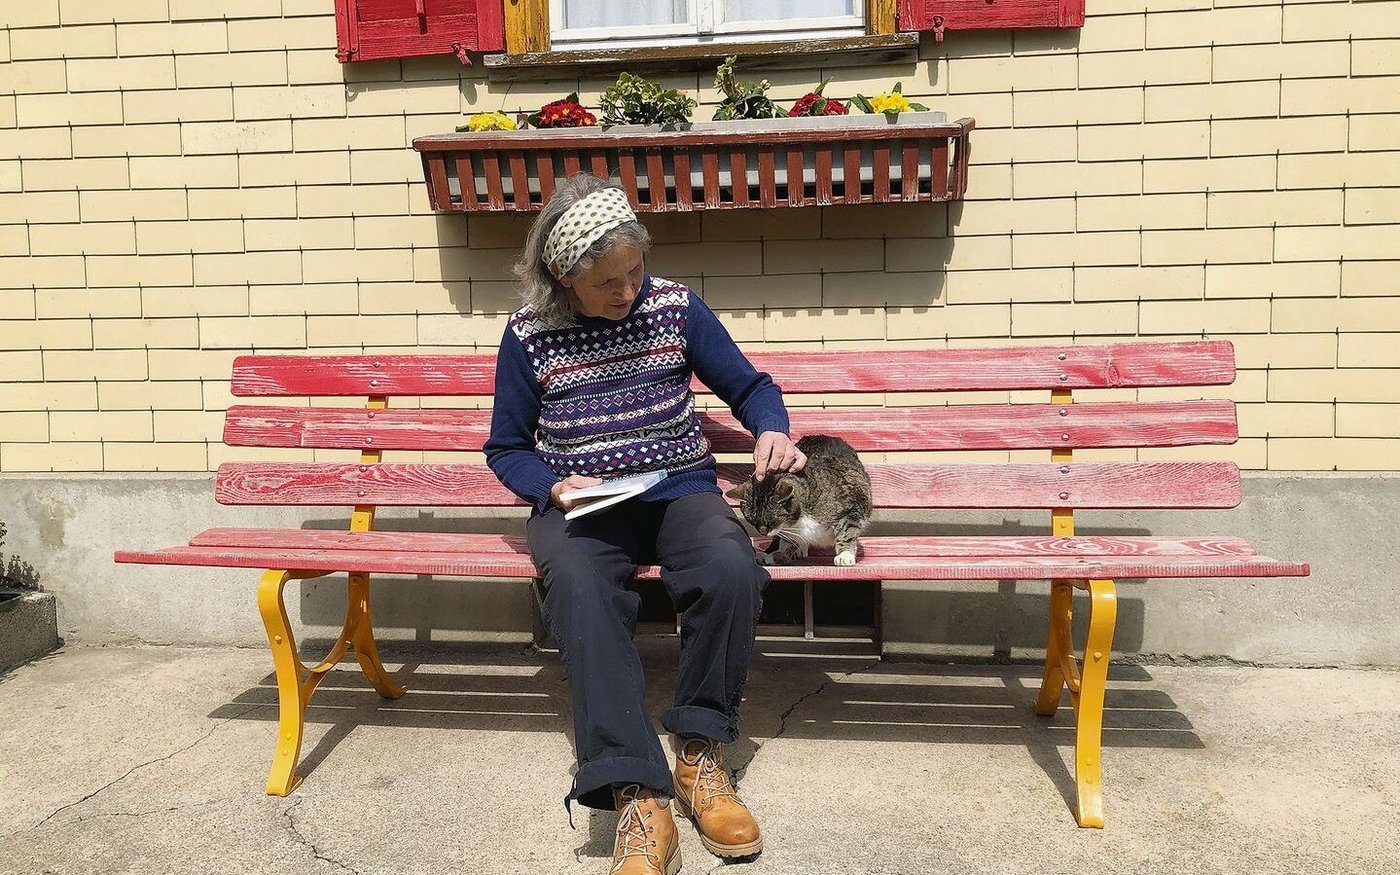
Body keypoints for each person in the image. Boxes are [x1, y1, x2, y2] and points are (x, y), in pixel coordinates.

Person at [484, 174, 806, 875]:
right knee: (576, 584)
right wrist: (551, 484)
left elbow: (749, 385)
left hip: (677, 488)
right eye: (607, 282)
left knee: (728, 564)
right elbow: (505, 448)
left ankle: (698, 751)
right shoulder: (528, 334)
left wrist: (769, 430)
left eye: (634, 271)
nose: (627, 291)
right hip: (584, 506)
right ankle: (637, 788)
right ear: (562, 277)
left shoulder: (675, 308)